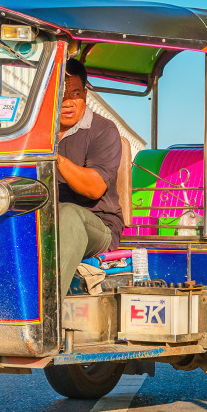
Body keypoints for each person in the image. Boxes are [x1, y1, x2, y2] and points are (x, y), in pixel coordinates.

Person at [56, 58, 124, 298]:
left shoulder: (104, 130)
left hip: (98, 224)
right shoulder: (36, 130)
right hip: (45, 220)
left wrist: (55, 158)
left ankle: (45, 316)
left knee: (66, 214)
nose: (67, 101)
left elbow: (94, 188)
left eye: (75, 93)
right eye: (60, 93)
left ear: (85, 94)